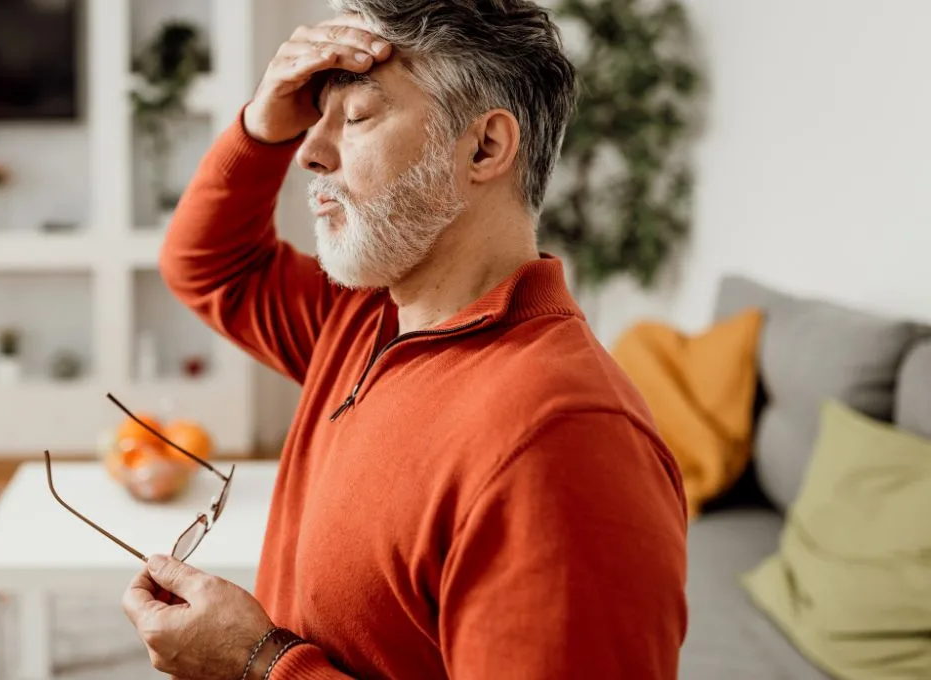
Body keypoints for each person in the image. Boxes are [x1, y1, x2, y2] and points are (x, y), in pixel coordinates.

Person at [120, 2, 689, 679]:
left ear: (483, 148)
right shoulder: (366, 320)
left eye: (356, 117)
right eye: (312, 117)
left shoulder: (561, 442)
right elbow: (207, 264)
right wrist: (261, 125)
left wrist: (260, 664)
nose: (310, 152)